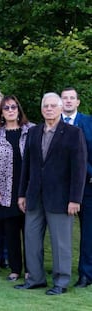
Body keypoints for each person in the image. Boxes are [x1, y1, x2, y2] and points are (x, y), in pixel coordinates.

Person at [15, 92, 87, 295]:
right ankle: (35, 279)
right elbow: (26, 167)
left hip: (62, 199)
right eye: (45, 106)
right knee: (31, 239)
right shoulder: (33, 132)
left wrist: (75, 199)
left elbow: (79, 169)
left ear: (61, 107)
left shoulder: (73, 133)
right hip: (34, 197)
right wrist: (22, 194)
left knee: (60, 242)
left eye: (52, 105)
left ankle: (61, 282)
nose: (48, 109)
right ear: (41, 108)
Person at [0, 95, 34, 281]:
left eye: (14, 107)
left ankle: (31, 269)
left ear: (19, 110)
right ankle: (15, 269)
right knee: (11, 233)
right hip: (5, 192)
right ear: (1, 113)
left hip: (28, 190)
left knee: (30, 233)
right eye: (6, 108)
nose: (11, 110)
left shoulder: (32, 131)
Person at [77, 114, 92, 288]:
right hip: (61, 189)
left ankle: (86, 273)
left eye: (72, 98)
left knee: (88, 233)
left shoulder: (88, 122)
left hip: (88, 187)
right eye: (65, 98)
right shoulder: (52, 122)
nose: (68, 101)